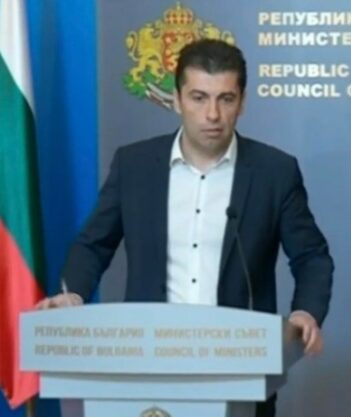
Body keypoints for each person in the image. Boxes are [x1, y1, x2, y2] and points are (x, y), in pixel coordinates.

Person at [36, 39, 334, 417]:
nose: (212, 114)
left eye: (226, 99)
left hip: (240, 368)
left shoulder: (274, 172)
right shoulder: (135, 165)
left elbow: (311, 257)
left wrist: (305, 312)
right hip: (147, 367)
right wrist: (73, 294)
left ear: (242, 102)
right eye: (198, 98)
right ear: (176, 100)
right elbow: (93, 244)